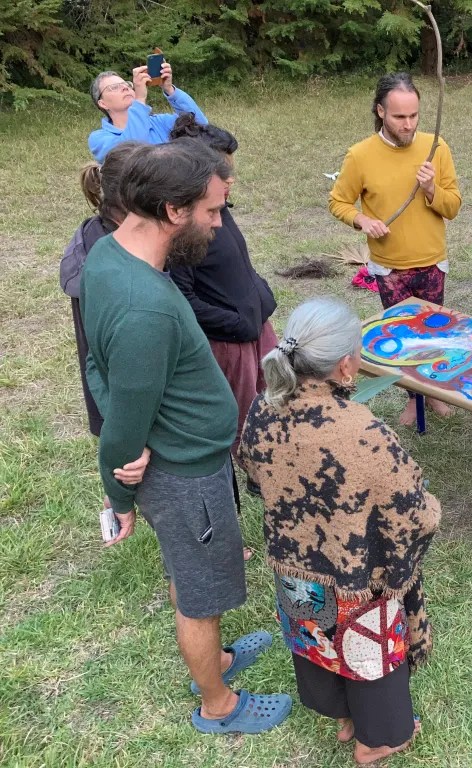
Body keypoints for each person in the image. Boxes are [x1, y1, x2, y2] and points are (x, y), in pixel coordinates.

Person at [79, 140, 290, 733]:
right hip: (185, 477)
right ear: (173, 211)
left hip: (185, 463)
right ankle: (218, 704)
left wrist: (135, 440)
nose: (219, 224)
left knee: (192, 570)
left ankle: (215, 660)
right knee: (200, 594)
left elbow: (96, 363)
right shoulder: (145, 307)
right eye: (213, 211)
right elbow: (123, 422)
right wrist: (119, 490)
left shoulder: (109, 256)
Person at [238, 297, 439, 764]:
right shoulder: (364, 433)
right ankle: (377, 740)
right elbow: (414, 516)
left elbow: (252, 471)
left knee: (315, 640)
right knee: (368, 655)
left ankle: (344, 719)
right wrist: (432, 507)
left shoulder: (264, 408)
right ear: (345, 364)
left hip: (295, 566)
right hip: (357, 577)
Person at [328, 72, 462, 426]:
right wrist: (362, 220)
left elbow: (453, 206)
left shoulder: (436, 148)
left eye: (414, 115)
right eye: (400, 116)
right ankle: (412, 398)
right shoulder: (360, 155)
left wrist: (432, 189)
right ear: (380, 112)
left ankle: (433, 392)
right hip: (389, 267)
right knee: (402, 339)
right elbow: (338, 201)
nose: (409, 124)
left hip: (432, 262)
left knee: (433, 333)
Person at [168, 114, 278, 454]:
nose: (231, 178)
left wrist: (260, 294)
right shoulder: (186, 230)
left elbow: (236, 266)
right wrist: (234, 322)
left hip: (256, 328)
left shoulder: (220, 211)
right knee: (244, 425)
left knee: (277, 405)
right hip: (231, 344)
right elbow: (181, 298)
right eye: (223, 170)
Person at [60, 142, 153, 504]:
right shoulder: (113, 260)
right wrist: (128, 437)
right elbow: (111, 359)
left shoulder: (99, 237)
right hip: (130, 406)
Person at [88, 60, 207, 162]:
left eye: (126, 84)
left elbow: (201, 127)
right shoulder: (99, 139)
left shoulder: (160, 122)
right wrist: (139, 100)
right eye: (114, 87)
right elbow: (132, 153)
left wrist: (169, 89)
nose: (125, 88)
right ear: (102, 103)